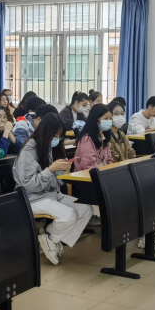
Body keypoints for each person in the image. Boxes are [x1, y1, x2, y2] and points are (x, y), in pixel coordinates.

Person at [12, 113, 93, 265]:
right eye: (55, 135)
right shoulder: (28, 151)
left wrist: (61, 169)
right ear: (45, 132)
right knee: (69, 215)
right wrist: (50, 170)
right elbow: (29, 185)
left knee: (86, 210)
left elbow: (58, 183)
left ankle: (52, 239)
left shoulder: (48, 147)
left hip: (51, 194)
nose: (57, 139)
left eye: (60, 136)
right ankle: (51, 239)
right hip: (31, 198)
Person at [74, 104, 113, 171]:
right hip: (87, 175)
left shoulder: (105, 138)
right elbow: (89, 165)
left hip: (103, 174)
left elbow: (109, 160)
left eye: (110, 118)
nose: (109, 121)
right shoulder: (86, 140)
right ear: (96, 120)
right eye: (106, 118)